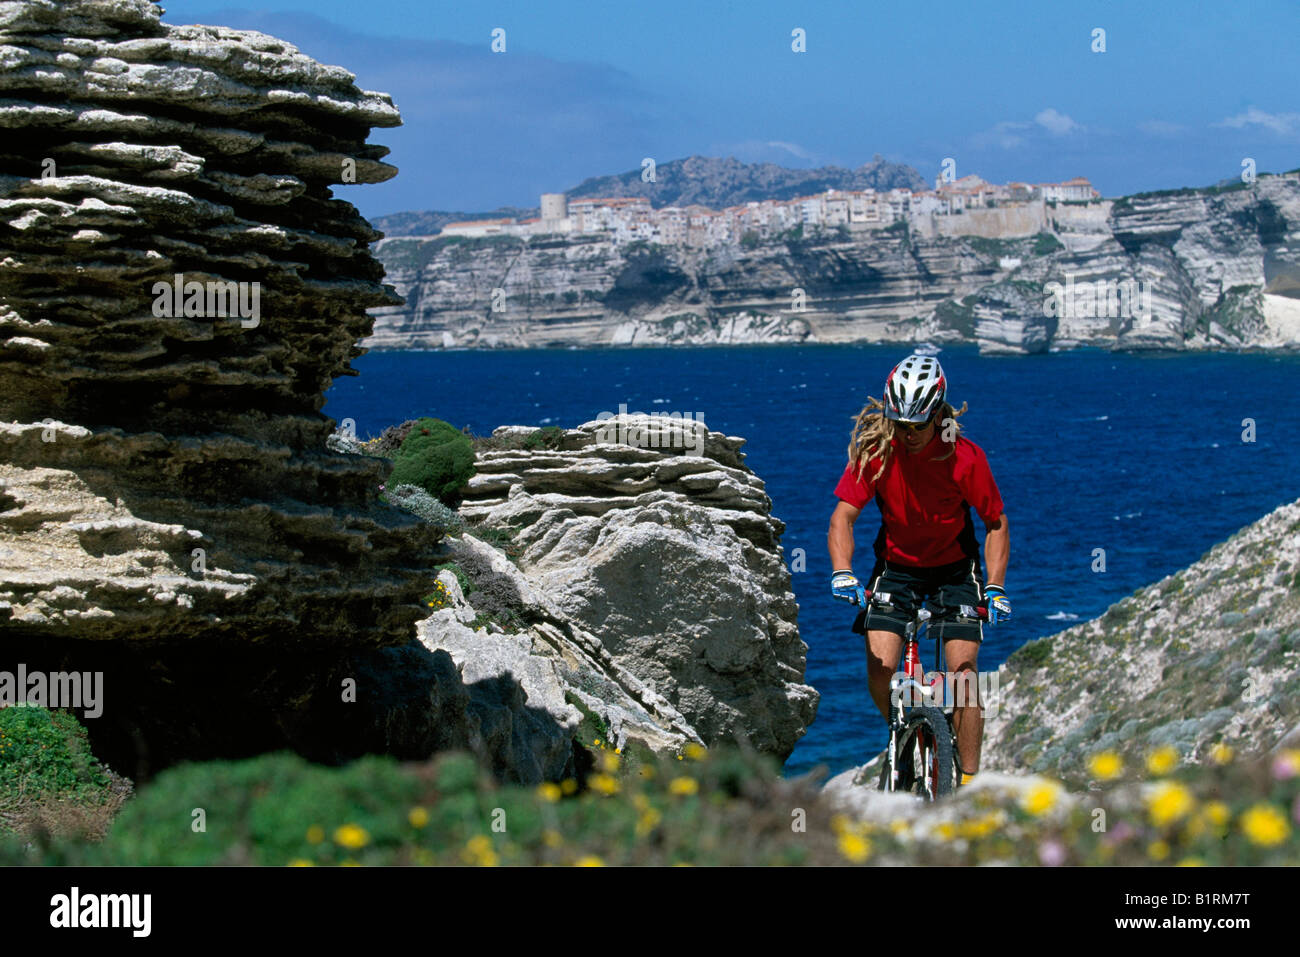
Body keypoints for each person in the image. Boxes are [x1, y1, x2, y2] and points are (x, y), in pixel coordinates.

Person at [826, 353, 1010, 784]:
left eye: (918, 425)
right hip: (898, 567)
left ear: (939, 414)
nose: (908, 434)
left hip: (956, 569)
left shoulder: (965, 458)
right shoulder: (878, 453)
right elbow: (843, 517)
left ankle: (966, 783)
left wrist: (996, 586)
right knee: (880, 666)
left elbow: (995, 523)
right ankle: (903, 731)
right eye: (899, 423)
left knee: (963, 678)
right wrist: (842, 570)